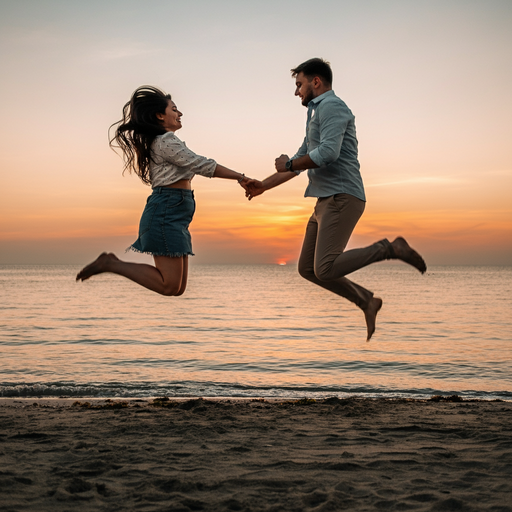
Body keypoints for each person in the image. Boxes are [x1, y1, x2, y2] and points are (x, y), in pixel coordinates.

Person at [246, 58, 426, 341]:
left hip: (343, 196)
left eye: (299, 85)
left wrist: (290, 164)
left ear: (315, 81)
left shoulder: (332, 107)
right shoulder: (315, 114)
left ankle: (389, 248)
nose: (297, 92)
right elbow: (299, 163)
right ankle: (366, 300)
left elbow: (326, 154)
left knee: (325, 267)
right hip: (323, 201)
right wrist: (263, 187)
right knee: (308, 269)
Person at [76, 86, 259, 296]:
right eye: (174, 109)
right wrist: (241, 177)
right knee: (169, 285)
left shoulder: (165, 142)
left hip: (176, 214)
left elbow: (194, 164)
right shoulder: (165, 141)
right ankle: (111, 264)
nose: (179, 113)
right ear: (160, 115)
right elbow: (200, 164)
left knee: (177, 288)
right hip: (166, 212)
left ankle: (111, 264)